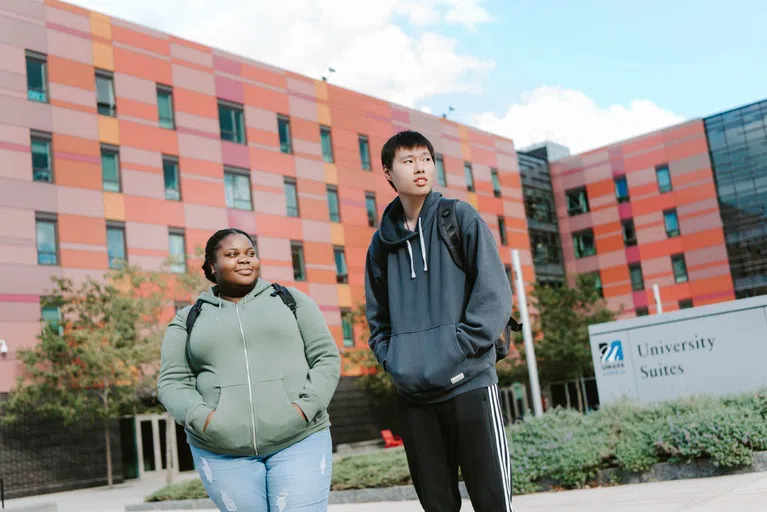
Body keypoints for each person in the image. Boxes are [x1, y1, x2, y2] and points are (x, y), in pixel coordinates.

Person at [365, 131, 514, 511]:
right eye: (408, 161)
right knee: (437, 505)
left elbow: (494, 292)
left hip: (470, 384)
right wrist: (393, 360)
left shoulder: (458, 217)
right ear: (388, 172)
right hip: (413, 395)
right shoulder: (381, 244)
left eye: (426, 159)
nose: (420, 168)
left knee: (492, 502)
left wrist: (461, 347)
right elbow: (377, 318)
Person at [158, 228, 341, 512]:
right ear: (211, 266)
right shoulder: (188, 319)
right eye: (232, 254)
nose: (244, 260)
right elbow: (172, 381)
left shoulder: (291, 301)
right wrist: (202, 419)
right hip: (221, 451)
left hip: (299, 439)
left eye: (250, 253)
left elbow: (326, 358)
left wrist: (306, 407)